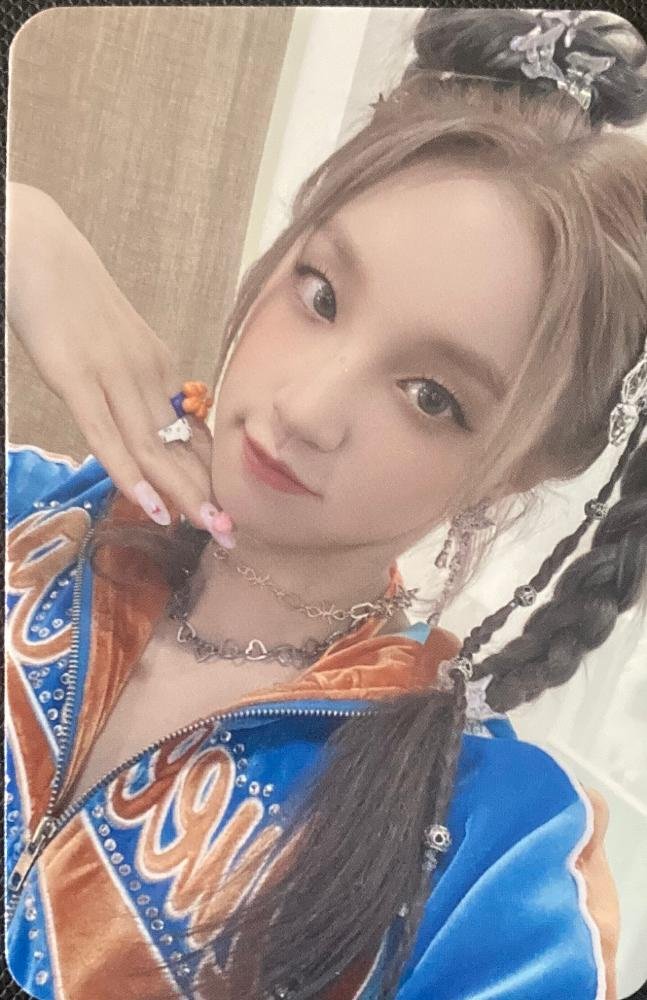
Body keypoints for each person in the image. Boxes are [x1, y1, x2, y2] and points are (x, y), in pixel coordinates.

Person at [5, 7, 647, 1000]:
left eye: (430, 397)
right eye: (320, 294)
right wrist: (21, 226)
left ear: (518, 469)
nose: (304, 410)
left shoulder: (491, 859)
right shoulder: (30, 512)